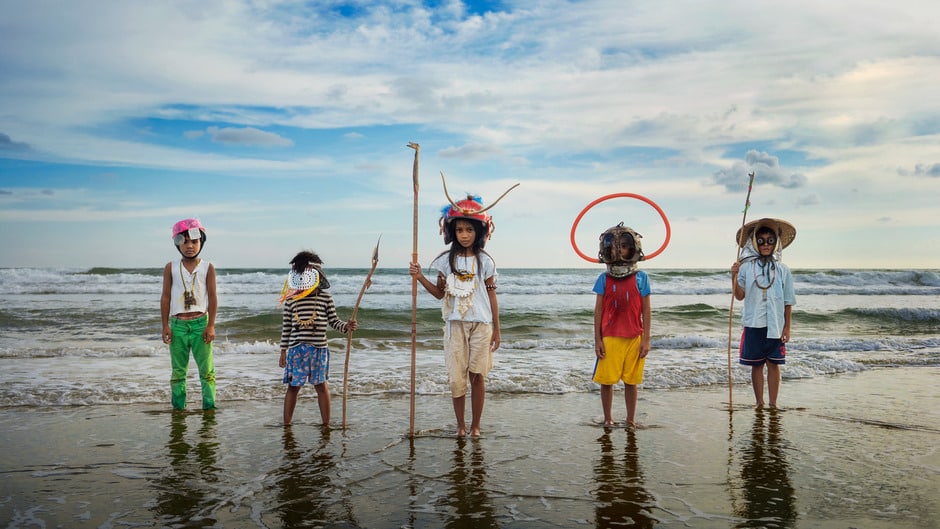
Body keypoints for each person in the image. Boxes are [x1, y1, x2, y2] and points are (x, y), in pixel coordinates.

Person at [410, 194, 502, 437]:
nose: (464, 235)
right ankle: (460, 425)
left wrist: (497, 330)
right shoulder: (444, 261)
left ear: (480, 231)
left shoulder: (486, 262)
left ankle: (475, 426)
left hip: (482, 325)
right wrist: (420, 277)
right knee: (456, 378)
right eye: (459, 229)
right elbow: (440, 294)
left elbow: (492, 296)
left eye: (469, 229)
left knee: (477, 376)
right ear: (451, 231)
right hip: (454, 325)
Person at [278, 251, 357, 426]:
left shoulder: (325, 298)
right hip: (296, 351)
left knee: (321, 386)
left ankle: (326, 424)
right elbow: (286, 328)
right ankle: (287, 425)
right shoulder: (291, 301)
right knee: (293, 387)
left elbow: (334, 321)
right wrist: (283, 351)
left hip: (319, 350)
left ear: (317, 276)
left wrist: (345, 326)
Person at [730, 218, 796, 409]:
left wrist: (787, 327)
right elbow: (739, 296)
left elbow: (788, 301)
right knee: (756, 365)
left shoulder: (783, 270)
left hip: (775, 324)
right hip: (753, 323)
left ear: (776, 243)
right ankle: (759, 403)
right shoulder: (746, 267)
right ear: (754, 243)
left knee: (774, 364)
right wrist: (733, 276)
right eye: (761, 241)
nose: (765, 244)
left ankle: (773, 404)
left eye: (770, 241)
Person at [592, 223, 652, 429]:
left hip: (634, 337)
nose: (619, 250)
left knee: (631, 381)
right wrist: (598, 340)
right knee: (607, 381)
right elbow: (598, 311)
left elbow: (646, 310)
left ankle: (630, 419)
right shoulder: (604, 278)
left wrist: (646, 339)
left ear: (633, 248)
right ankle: (608, 417)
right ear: (607, 249)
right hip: (610, 337)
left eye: (624, 246)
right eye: (615, 246)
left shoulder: (641, 278)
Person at [160, 218, 218, 411]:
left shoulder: (208, 267)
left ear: (201, 242)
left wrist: (211, 325)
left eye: (194, 241)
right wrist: (165, 325)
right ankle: (178, 409)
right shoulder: (171, 267)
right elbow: (166, 297)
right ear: (177, 244)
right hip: (177, 326)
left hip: (201, 323)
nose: (189, 246)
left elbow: (212, 297)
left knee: (207, 372)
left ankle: (209, 408)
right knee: (178, 372)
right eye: (184, 242)